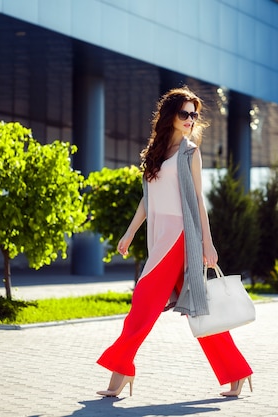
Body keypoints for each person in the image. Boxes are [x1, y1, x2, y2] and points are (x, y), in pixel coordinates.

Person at [96, 86, 253, 398]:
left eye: (194, 115)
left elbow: (197, 199)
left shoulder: (190, 153)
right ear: (170, 116)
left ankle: (121, 371)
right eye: (185, 114)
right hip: (160, 237)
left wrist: (207, 244)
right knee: (199, 311)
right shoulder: (155, 153)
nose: (191, 119)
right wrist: (129, 233)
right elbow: (147, 199)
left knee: (142, 304)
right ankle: (237, 373)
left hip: (181, 239)